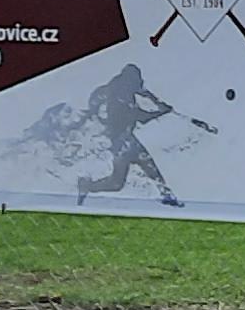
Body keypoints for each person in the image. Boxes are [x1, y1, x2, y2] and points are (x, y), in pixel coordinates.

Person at [78, 62, 182, 205]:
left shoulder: (121, 87)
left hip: (125, 138)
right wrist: (161, 112)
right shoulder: (119, 97)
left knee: (143, 170)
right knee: (120, 181)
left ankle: (167, 195)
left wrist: (157, 101)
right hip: (121, 142)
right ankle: (87, 186)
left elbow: (141, 91)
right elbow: (140, 116)